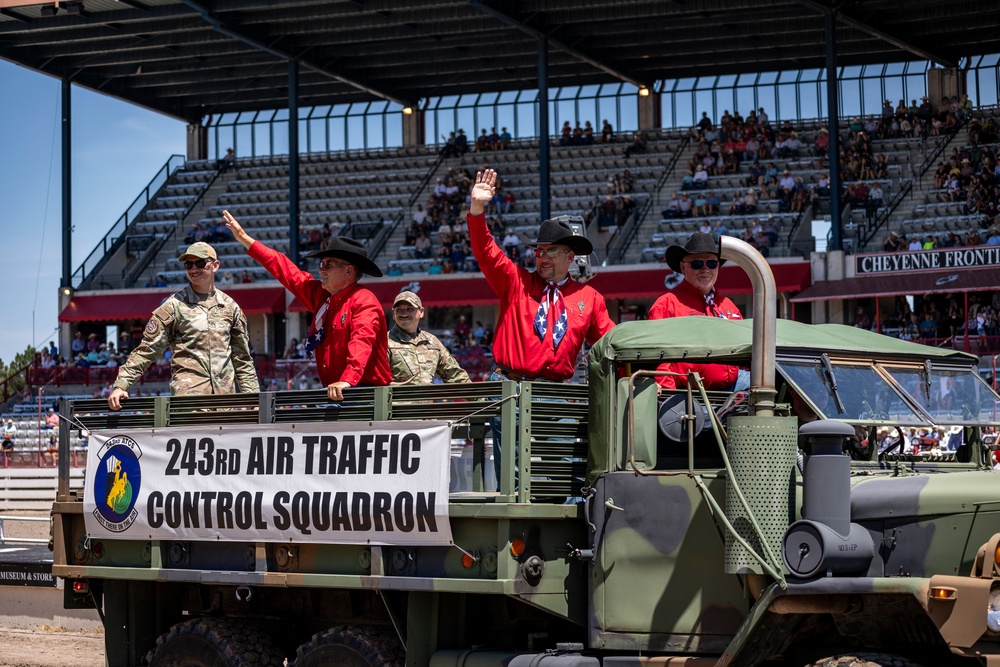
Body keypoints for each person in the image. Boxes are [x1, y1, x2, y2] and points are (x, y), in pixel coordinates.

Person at [467, 169, 615, 481]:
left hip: (554, 391)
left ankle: (568, 519)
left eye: (551, 251)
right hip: (509, 385)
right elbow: (486, 251)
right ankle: (517, 521)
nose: (542, 257)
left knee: (564, 464)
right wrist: (477, 210)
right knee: (514, 472)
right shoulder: (515, 281)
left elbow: (611, 344)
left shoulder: (589, 298)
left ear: (569, 256)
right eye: (539, 250)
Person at [223, 210, 391, 401]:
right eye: (322, 263)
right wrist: (246, 239)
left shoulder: (364, 301)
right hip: (339, 392)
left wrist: (347, 380)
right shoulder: (323, 296)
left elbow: (362, 342)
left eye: (328, 264)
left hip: (365, 395)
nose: (321, 269)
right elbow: (285, 270)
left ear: (349, 270)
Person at [108, 242, 259, 410]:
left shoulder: (230, 307)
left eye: (200, 263)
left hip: (225, 403)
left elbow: (242, 359)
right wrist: (121, 385)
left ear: (215, 265)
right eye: (188, 264)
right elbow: (147, 350)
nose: (194, 269)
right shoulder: (174, 306)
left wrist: (254, 401)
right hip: (189, 403)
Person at [650, 232, 747, 391]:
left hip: (735, 390)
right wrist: (672, 397)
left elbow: (746, 351)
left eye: (711, 264)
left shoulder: (727, 305)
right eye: (696, 264)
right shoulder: (666, 304)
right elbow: (658, 360)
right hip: (692, 396)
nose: (705, 269)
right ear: (683, 267)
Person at [388, 291, 470, 386]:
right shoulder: (385, 342)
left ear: (421, 312)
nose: (404, 313)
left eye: (410, 309)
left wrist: (480, 399)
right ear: (393, 313)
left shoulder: (432, 342)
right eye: (399, 309)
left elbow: (455, 376)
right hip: (396, 401)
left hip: (427, 400)